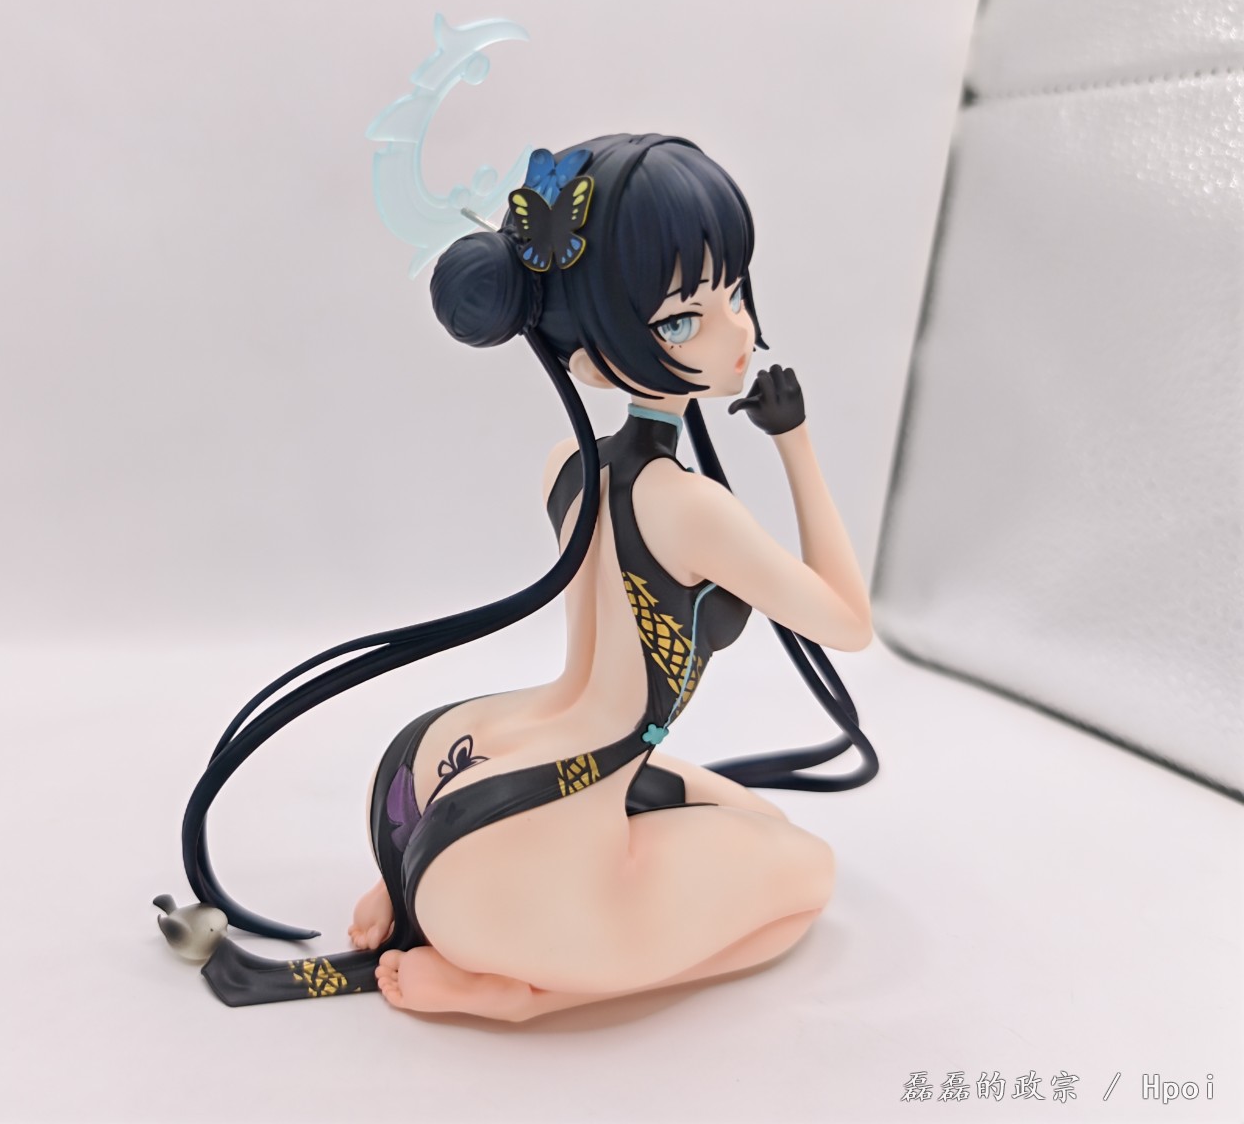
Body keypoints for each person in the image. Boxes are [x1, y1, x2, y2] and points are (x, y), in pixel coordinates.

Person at [161, 133, 876, 1020]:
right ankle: (523, 994)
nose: (740, 331)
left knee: (761, 823)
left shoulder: (567, 470)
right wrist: (794, 442)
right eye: (684, 320)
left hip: (464, 768)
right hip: (568, 800)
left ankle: (418, 902)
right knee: (809, 877)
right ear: (590, 359)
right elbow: (848, 621)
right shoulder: (694, 510)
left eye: (733, 293)